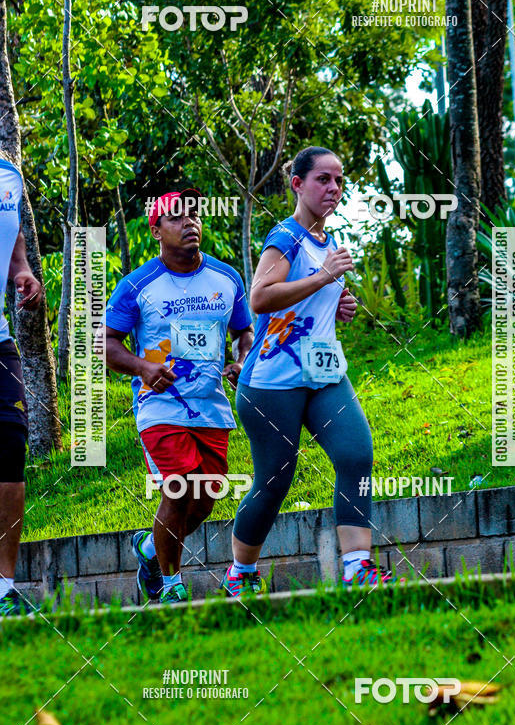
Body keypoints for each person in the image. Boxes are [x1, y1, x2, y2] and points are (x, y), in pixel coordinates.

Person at [221, 146, 402, 597]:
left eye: (339, 181)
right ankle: (241, 571)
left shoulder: (326, 241)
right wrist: (322, 279)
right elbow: (260, 297)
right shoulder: (285, 236)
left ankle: (357, 567)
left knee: (356, 455)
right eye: (323, 179)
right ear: (298, 184)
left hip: (323, 374)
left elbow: (305, 300)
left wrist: (338, 304)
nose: (334, 189)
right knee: (275, 480)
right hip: (271, 382)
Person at [104, 190, 253, 604]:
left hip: (211, 406)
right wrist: (145, 368)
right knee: (178, 486)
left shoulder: (226, 278)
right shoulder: (137, 285)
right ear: (156, 230)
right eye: (175, 218)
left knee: (204, 500)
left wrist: (242, 361)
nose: (190, 223)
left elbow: (245, 330)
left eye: (194, 216)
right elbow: (109, 344)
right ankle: (171, 586)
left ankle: (150, 548)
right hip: (161, 406)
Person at [0, 157, 43, 617]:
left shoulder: (8, 175)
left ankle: (4, 588)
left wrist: (22, 270)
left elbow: (13, 234)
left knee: (11, 442)